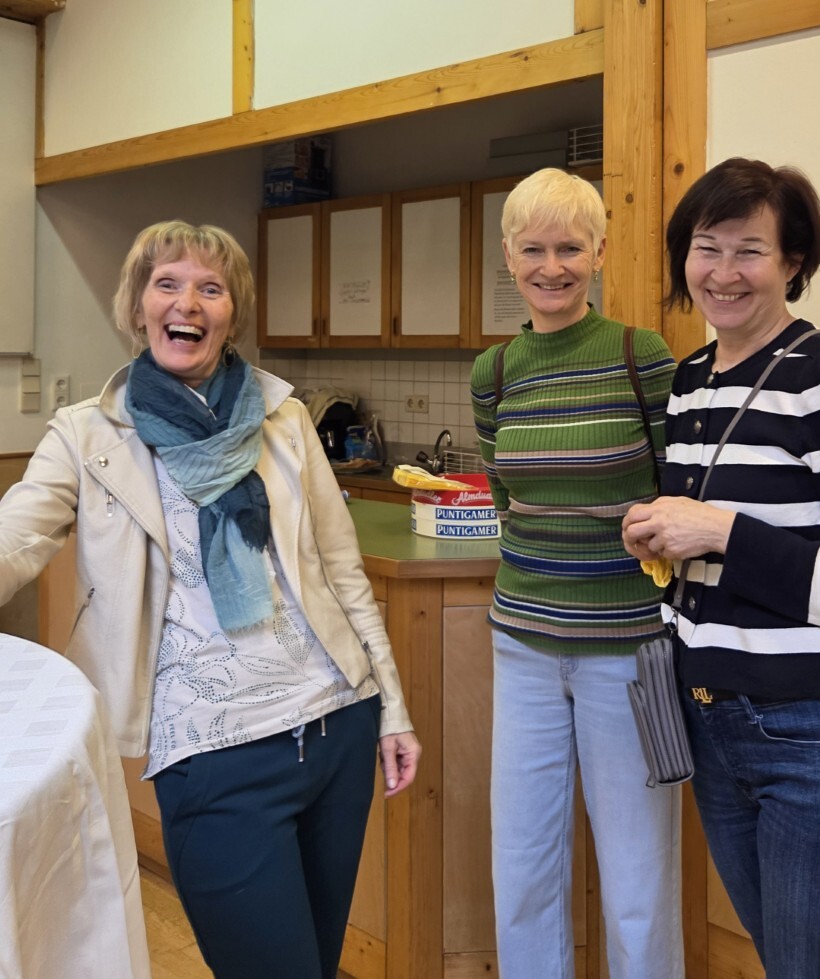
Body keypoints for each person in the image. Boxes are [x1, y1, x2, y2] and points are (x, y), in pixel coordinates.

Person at [0, 220, 421, 979]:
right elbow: (16, 538)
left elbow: (340, 569)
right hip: (210, 753)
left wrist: (390, 704)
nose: (186, 302)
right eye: (166, 283)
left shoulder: (283, 416)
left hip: (337, 724)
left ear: (232, 314)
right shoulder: (88, 435)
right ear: (138, 306)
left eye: (210, 288)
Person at [622, 157, 820, 979]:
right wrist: (665, 539)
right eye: (706, 247)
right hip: (713, 730)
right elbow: (720, 554)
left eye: (749, 251)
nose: (723, 273)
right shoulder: (690, 382)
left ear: (792, 262)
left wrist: (722, 530)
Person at [470, 168, 685, 979]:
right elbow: (507, 495)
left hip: (628, 647)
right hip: (522, 643)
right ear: (508, 255)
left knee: (636, 877)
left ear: (599, 253)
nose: (551, 266)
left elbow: (677, 490)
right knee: (522, 864)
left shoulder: (640, 355)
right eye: (533, 249)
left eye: (570, 248)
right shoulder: (494, 373)